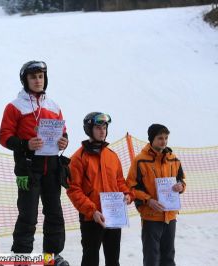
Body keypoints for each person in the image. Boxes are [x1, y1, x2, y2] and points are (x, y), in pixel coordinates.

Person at [0, 60, 69, 266]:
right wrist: (26, 144)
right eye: (33, 77)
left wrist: (64, 140)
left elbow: (62, 132)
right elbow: (4, 136)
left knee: (54, 212)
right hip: (28, 167)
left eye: (41, 76)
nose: (38, 80)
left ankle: (52, 256)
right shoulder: (14, 106)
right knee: (28, 214)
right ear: (25, 80)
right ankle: (22, 257)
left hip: (53, 166)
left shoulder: (53, 105)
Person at [66, 112, 132, 266]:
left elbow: (120, 182)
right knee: (90, 259)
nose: (102, 131)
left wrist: (127, 195)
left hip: (113, 216)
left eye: (104, 127)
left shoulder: (112, 156)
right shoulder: (78, 158)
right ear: (89, 129)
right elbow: (74, 190)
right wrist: (92, 210)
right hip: (91, 218)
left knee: (113, 259)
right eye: (98, 127)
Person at [126, 124, 186, 266]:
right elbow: (130, 187)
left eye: (166, 138)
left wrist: (181, 187)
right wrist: (148, 200)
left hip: (170, 217)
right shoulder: (140, 160)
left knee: (168, 257)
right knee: (152, 258)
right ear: (151, 139)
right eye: (160, 138)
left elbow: (181, 181)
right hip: (151, 217)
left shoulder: (174, 159)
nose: (164, 141)